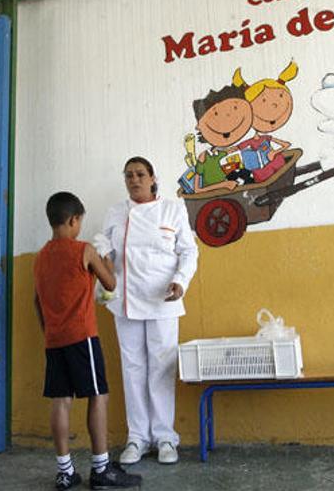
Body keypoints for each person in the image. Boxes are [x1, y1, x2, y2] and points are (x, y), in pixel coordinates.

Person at [34, 192, 142, 490]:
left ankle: (65, 471)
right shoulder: (84, 250)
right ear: (74, 220)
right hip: (82, 337)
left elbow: (37, 301)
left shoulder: (41, 256)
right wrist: (105, 260)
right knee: (98, 396)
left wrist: (49, 331)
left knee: (61, 401)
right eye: (79, 221)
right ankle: (101, 467)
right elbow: (110, 283)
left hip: (54, 341)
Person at [99, 157, 198, 465]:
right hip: (125, 300)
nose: (134, 179)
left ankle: (165, 437)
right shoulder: (116, 212)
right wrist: (101, 256)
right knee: (133, 370)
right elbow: (105, 247)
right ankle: (137, 438)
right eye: (128, 175)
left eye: (140, 174)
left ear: (153, 177)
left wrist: (180, 281)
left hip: (163, 300)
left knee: (161, 368)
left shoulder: (173, 208)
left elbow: (189, 250)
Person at [230, 61, 298, 183]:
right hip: (264, 172)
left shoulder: (267, 138)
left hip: (276, 165)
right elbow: (235, 148)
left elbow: (286, 144)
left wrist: (275, 152)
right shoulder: (250, 142)